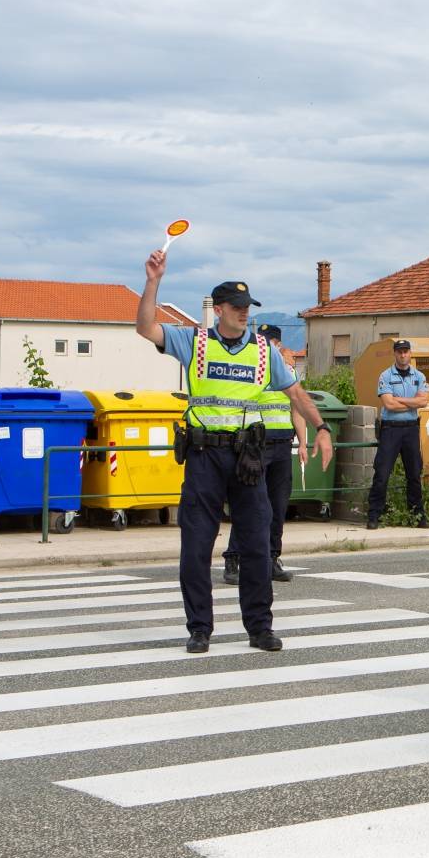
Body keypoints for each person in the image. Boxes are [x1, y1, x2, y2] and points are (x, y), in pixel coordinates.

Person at [136, 252, 332, 655]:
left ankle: (259, 628)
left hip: (248, 460)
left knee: (258, 544)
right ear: (219, 310)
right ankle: (200, 629)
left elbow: (296, 392)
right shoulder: (194, 341)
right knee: (196, 545)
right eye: (238, 308)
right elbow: (145, 327)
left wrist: (323, 427)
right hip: (205, 456)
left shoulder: (263, 351)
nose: (245, 313)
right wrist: (154, 281)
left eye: (248, 308)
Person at [221, 323, 303, 584]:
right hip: (256, 446)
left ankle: (271, 558)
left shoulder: (288, 372)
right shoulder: (251, 370)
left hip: (282, 446)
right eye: (264, 341)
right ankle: (233, 559)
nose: (268, 346)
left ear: (278, 345)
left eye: (272, 342)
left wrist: (302, 442)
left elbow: (297, 409)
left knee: (277, 506)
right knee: (250, 505)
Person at [367, 339, 429, 530]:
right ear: (394, 354)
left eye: (405, 351)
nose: (403, 355)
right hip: (390, 430)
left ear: (410, 353)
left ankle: (417, 515)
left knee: (414, 474)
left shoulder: (419, 376)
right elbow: (389, 405)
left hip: (411, 429)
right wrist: (412, 401)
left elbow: (424, 402)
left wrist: (400, 399)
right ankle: (374, 515)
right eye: (399, 352)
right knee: (382, 474)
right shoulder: (385, 376)